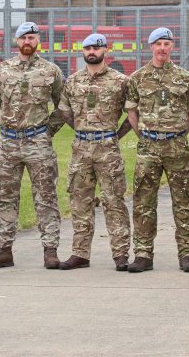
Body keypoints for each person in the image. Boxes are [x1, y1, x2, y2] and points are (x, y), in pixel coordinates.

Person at [0, 22, 65, 270]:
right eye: (23, 38)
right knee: (4, 197)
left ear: (38, 40)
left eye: (32, 37)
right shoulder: (2, 70)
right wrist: (10, 128)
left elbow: (63, 106)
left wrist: (47, 130)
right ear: (16, 41)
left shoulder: (51, 71)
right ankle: (3, 250)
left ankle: (50, 251)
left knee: (46, 196)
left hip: (38, 142)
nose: (27, 41)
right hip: (8, 143)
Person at [125, 27, 189, 273]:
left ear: (172, 47)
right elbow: (132, 112)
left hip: (176, 146)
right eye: (158, 44)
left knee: (184, 200)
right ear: (151, 47)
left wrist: (176, 135)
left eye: (167, 44)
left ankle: (187, 254)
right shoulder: (137, 78)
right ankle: (143, 254)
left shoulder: (184, 78)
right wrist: (145, 135)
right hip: (148, 146)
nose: (163, 48)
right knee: (144, 201)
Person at [57, 33, 133, 271]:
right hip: (81, 148)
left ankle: (120, 254)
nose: (91, 51)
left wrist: (113, 136)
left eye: (96, 48)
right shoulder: (72, 81)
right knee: (80, 201)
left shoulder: (120, 81)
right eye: (87, 47)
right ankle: (80, 253)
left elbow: (132, 114)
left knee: (114, 200)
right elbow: (64, 112)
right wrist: (82, 131)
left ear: (105, 51)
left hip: (107, 149)